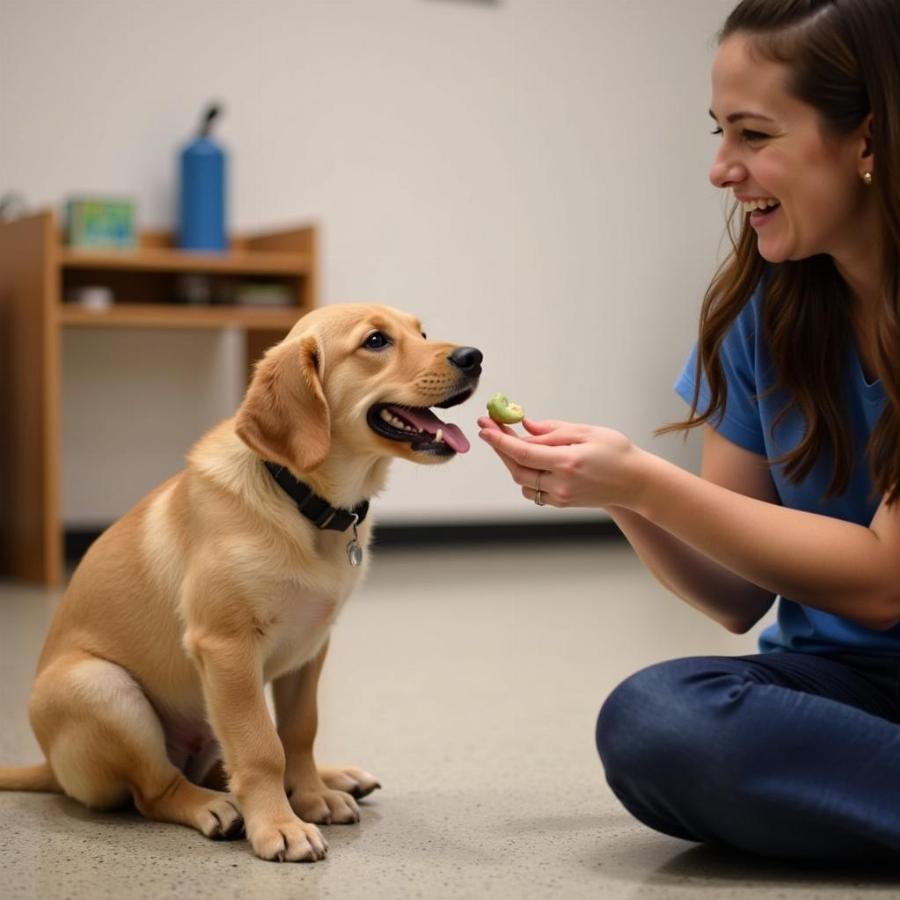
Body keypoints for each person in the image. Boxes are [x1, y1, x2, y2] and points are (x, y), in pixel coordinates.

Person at [477, 0, 900, 862]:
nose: (720, 169)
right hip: (854, 687)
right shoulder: (762, 318)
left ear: (866, 140)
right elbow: (736, 596)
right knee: (656, 721)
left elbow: (885, 582)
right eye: (719, 132)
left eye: (753, 134)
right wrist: (613, 492)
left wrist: (644, 480)